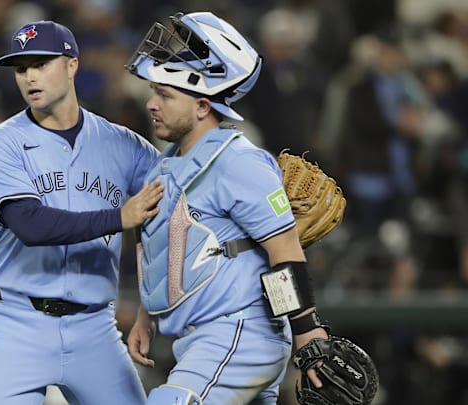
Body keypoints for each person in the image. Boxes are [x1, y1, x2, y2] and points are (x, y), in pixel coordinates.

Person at [124, 12, 331, 404]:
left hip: (240, 333)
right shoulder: (166, 163)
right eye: (154, 92)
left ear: (203, 106)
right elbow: (164, 250)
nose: (151, 104)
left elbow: (284, 254)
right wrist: (145, 318)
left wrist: (307, 332)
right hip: (201, 340)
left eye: (165, 95)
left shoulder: (238, 161)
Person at [0, 20, 163, 405]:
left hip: (95, 326)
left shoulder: (123, 144)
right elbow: (31, 224)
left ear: (72, 64)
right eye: (22, 68)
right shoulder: (0, 144)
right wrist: (118, 218)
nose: (30, 77)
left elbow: (180, 203)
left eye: (41, 63)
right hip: (16, 326)